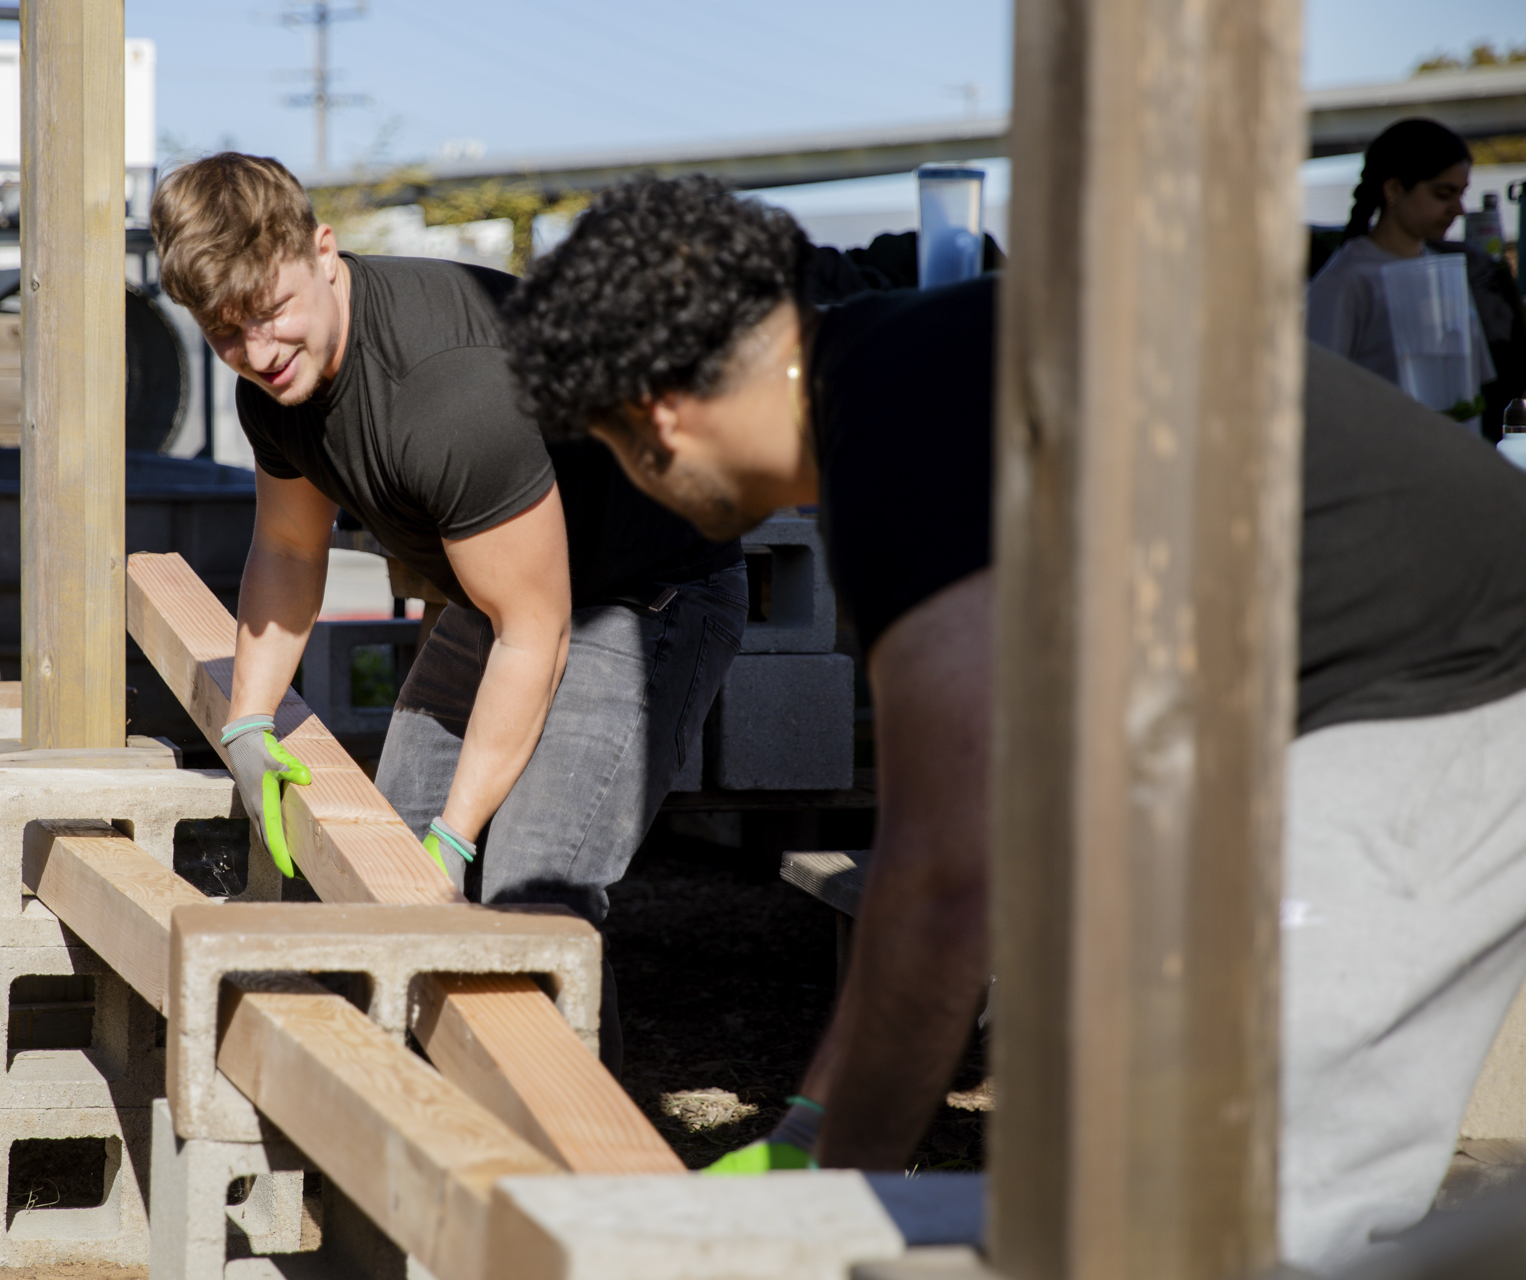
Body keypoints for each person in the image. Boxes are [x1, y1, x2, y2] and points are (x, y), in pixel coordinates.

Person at [503, 175, 1526, 1271]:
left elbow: (948, 882)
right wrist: (811, 1131)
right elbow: (942, 846)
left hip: (1435, 684)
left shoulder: (899, 430)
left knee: (1240, 1201)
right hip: (1342, 696)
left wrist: (827, 1205)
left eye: (610, 447)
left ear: (655, 413)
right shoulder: (903, 372)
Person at [148, 156, 747, 1069]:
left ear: (322, 249)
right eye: (224, 332)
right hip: (502, 598)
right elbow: (289, 549)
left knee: (528, 901)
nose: (257, 352)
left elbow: (538, 635)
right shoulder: (274, 393)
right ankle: (427, 1153)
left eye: (269, 314)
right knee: (383, 867)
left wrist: (454, 837)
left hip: (643, 593)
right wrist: (250, 717)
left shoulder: (449, 391)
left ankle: (578, 1179)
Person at [1306, 117, 1495, 398]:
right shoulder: (1347, 279)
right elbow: (1316, 390)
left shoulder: (1445, 272)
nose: (1458, 209)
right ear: (1394, 189)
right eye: (1442, 194)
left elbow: (1472, 386)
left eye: (1461, 194)